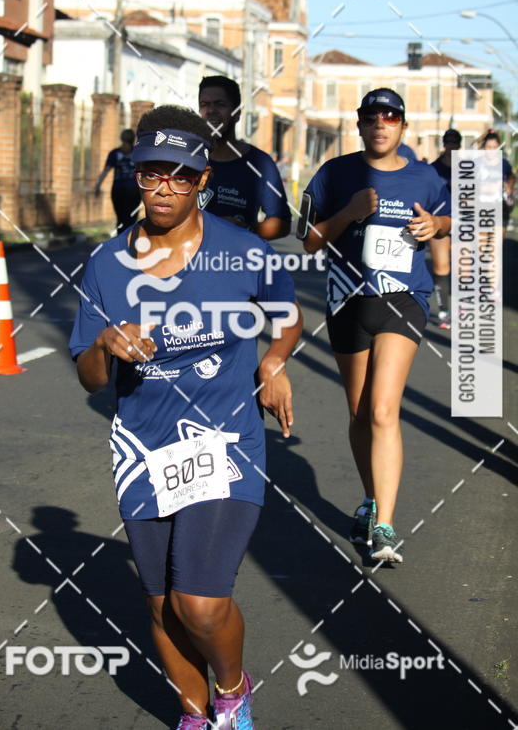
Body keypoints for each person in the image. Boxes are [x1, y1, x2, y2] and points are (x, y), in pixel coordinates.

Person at [70, 105, 302, 729]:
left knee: (198, 600)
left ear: (202, 180)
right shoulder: (106, 265)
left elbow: (286, 315)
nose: (164, 187)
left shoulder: (239, 252)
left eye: (178, 175)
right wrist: (104, 346)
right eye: (151, 174)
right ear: (136, 177)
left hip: (225, 441)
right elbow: (90, 378)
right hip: (142, 449)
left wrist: (274, 364)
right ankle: (195, 714)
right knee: (162, 605)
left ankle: (232, 691)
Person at [300, 88, 451, 563]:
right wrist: (348, 213)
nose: (381, 124)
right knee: (361, 413)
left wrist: (436, 228)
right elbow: (306, 240)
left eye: (390, 118)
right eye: (372, 117)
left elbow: (449, 216)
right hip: (346, 301)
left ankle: (384, 525)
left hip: (403, 299)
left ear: (403, 128)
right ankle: (370, 500)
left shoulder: (425, 176)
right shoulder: (336, 174)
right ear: (360, 125)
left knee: (385, 410)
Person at [198, 76, 291, 239]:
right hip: (190, 261)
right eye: (204, 105)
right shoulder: (189, 157)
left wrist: (245, 230)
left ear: (237, 114)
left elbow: (282, 224)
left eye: (220, 104)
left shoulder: (260, 163)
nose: (211, 111)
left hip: (237, 261)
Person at [430, 129, 463, 329]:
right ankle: (444, 311)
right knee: (441, 266)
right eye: (448, 142)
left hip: (463, 222)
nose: (451, 146)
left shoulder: (468, 168)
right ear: (444, 144)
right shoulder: (432, 169)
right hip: (440, 220)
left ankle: (462, 309)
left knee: (463, 268)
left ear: (459, 145)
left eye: (454, 142)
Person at [94, 129, 141, 230]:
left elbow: (105, 171)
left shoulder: (114, 153)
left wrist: (98, 186)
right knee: (131, 219)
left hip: (118, 190)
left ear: (121, 138)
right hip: (133, 191)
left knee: (121, 219)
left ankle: (120, 242)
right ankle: (129, 242)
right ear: (133, 139)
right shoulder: (138, 153)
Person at [479, 129, 515, 236]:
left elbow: (512, 177)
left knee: (497, 244)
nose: (491, 151)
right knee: (483, 244)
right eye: (489, 147)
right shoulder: (477, 163)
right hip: (482, 208)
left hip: (500, 207)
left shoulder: (504, 163)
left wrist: (509, 187)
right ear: (484, 147)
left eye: (494, 148)